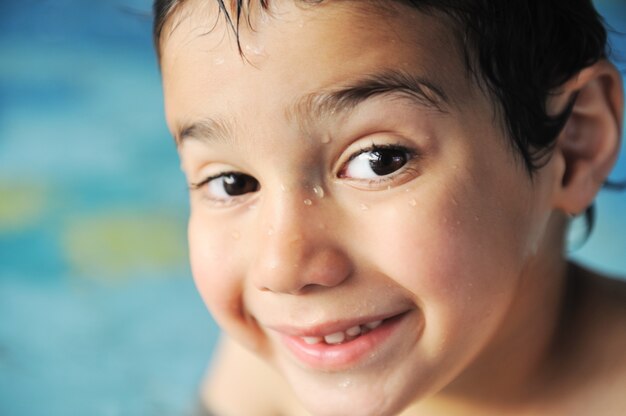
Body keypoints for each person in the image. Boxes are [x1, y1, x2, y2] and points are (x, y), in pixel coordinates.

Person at [153, 0, 626, 414]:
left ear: (574, 144)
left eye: (379, 161)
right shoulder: (288, 354)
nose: (283, 268)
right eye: (232, 182)